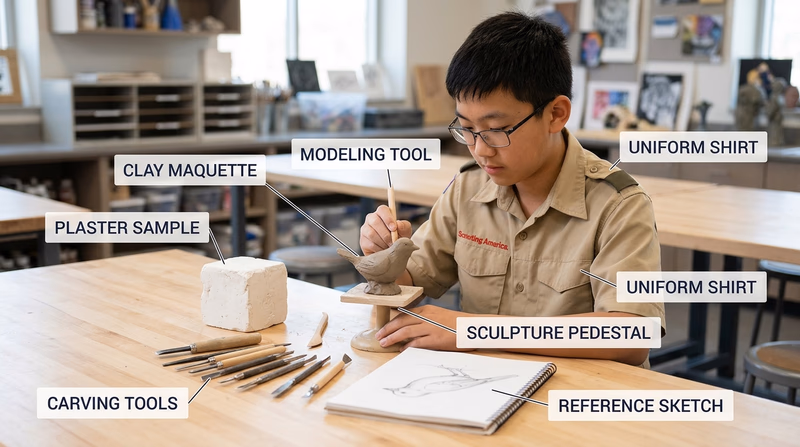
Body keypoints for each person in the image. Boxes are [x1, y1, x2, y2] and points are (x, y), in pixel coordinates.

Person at [361, 12, 665, 367]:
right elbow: (412, 277)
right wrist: (385, 257)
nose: (480, 149)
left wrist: (477, 331)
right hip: (485, 388)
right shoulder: (469, 187)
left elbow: (631, 336)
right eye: (466, 128)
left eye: (496, 129)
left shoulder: (619, 204)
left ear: (556, 114)